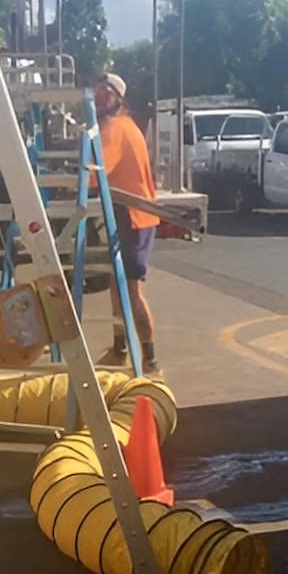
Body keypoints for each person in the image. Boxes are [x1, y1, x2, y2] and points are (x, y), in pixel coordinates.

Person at [93, 72, 162, 376]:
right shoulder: (127, 125)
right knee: (115, 282)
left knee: (132, 291)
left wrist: (69, 178)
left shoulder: (115, 128)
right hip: (128, 214)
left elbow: (97, 172)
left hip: (134, 217)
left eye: (104, 96)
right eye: (97, 95)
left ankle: (151, 360)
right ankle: (120, 349)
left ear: (117, 99)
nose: (99, 101)